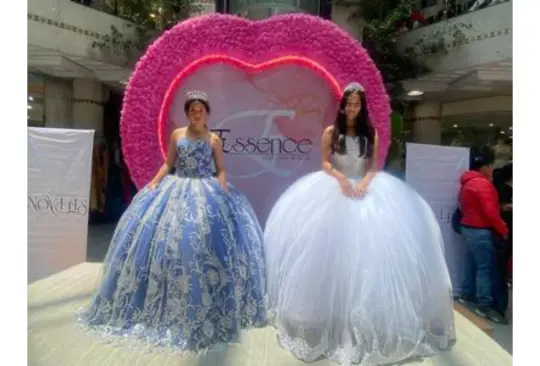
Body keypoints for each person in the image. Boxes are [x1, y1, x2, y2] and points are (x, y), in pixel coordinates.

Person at [263, 82, 455, 365]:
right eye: (349, 103)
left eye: (357, 104)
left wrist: (365, 182)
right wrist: (340, 178)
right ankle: (326, 315)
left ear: (362, 106)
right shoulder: (331, 132)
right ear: (343, 105)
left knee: (370, 255)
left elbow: (373, 167)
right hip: (334, 189)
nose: (352, 108)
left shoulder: (370, 133)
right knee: (327, 251)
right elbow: (325, 163)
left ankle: (368, 318)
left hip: (367, 190)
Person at [77, 91, 267, 353]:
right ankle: (163, 302)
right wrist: (154, 182)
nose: (196, 114)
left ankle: (208, 301)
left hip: (207, 188)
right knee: (169, 243)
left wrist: (222, 185)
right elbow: (169, 164)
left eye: (200, 110)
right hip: (177, 188)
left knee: (206, 244)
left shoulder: (214, 139)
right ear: (187, 112)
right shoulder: (177, 135)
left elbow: (220, 168)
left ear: (207, 112)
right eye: (192, 110)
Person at [457, 147, 509, 324]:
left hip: (468, 227)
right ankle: (484, 304)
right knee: (484, 268)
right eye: (491, 165)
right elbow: (490, 213)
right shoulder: (483, 184)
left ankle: (466, 294)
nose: (492, 169)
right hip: (480, 229)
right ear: (484, 167)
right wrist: (504, 230)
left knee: (472, 262)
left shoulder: (468, 182)